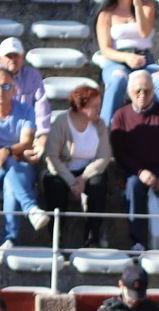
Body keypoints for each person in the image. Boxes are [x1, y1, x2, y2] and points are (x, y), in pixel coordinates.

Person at [0, 72, 50, 249]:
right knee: (11, 165)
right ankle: (30, 210)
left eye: (6, 86)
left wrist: (6, 152)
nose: (0, 92)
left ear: (14, 90)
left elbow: (27, 142)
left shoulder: (26, 110)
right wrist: (5, 154)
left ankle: (9, 241)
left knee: (10, 179)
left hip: (19, 169)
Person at [111, 71, 159, 251]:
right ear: (130, 92)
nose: (142, 95)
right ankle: (137, 242)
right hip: (137, 171)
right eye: (138, 91)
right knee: (133, 186)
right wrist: (140, 172)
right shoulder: (121, 116)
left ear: (154, 91)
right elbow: (120, 153)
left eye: (147, 90)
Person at [0, 39, 51, 196]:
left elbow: (42, 108)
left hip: (25, 136)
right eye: (9, 56)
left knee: (42, 150)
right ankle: (32, 208)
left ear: (23, 57)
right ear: (0, 59)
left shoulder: (32, 76)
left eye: (16, 56)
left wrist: (41, 138)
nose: (13, 59)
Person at [44, 85, 113, 248]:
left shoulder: (100, 125)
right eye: (95, 106)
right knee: (54, 184)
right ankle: (56, 235)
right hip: (63, 170)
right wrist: (71, 181)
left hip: (88, 171)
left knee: (98, 182)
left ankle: (92, 237)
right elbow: (51, 156)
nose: (99, 110)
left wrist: (82, 178)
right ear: (82, 107)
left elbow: (104, 156)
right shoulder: (61, 122)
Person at [95, 0, 159, 125]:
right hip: (117, 61)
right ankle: (105, 129)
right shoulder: (106, 13)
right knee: (118, 79)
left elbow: (144, 33)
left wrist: (138, 6)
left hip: (144, 60)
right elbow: (105, 49)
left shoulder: (147, 6)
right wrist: (127, 57)